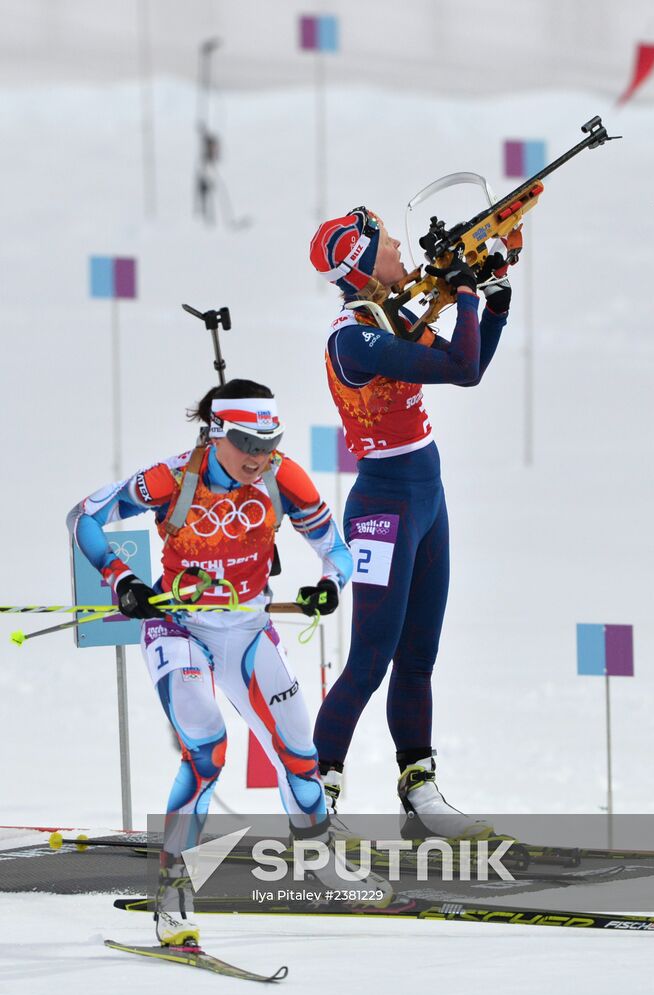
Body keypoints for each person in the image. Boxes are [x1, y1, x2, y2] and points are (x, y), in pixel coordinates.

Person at [68, 378, 389, 946]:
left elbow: (334, 549)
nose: (259, 455)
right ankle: (173, 893)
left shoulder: (280, 477)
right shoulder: (171, 479)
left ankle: (315, 860)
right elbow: (84, 518)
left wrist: (330, 584)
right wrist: (123, 581)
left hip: (247, 629)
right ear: (217, 433)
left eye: (270, 441)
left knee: (299, 752)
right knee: (207, 751)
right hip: (179, 626)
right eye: (246, 442)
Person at [309, 207, 518, 840]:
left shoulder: (390, 317)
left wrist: (494, 291)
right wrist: (461, 291)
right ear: (364, 264)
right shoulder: (353, 336)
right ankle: (316, 795)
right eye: (389, 243)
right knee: (371, 656)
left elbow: (469, 363)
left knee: (420, 656)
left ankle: (420, 789)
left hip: (427, 496)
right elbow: (457, 366)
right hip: (384, 505)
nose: (402, 248)